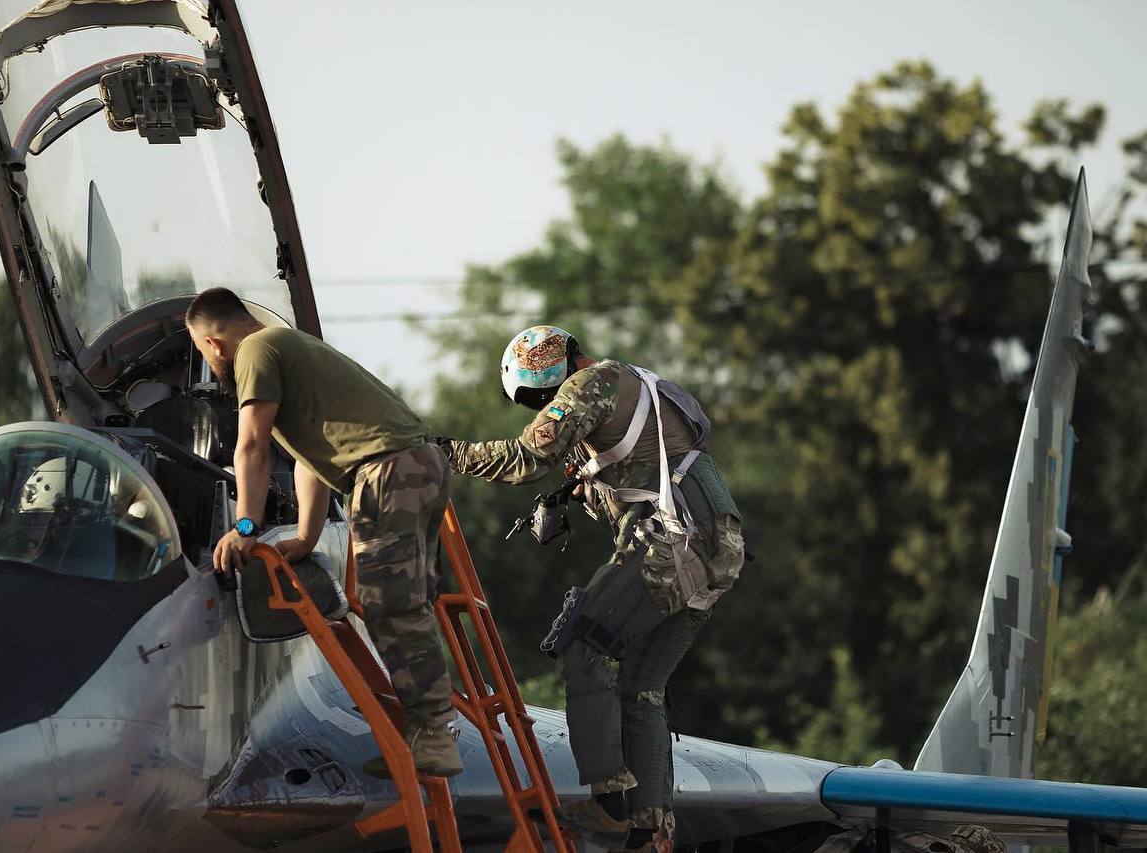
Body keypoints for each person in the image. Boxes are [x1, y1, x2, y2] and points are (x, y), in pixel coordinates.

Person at [437, 325, 745, 851]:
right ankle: (649, 829)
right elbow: (647, 470)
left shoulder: (590, 383)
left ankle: (608, 805)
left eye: (539, 401)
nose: (546, 410)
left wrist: (444, 453)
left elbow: (527, 457)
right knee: (640, 689)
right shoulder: (634, 386)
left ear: (552, 379)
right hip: (714, 547)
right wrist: (584, 489)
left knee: (585, 647)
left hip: (672, 544)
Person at [185, 287, 460, 777]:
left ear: (213, 344)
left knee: (391, 605)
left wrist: (245, 526)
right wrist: (308, 537)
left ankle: (434, 736)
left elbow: (250, 447)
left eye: (203, 353)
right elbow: (309, 462)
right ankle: (432, 729)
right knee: (408, 601)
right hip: (418, 465)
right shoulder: (291, 346)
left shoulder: (254, 351)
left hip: (385, 474)